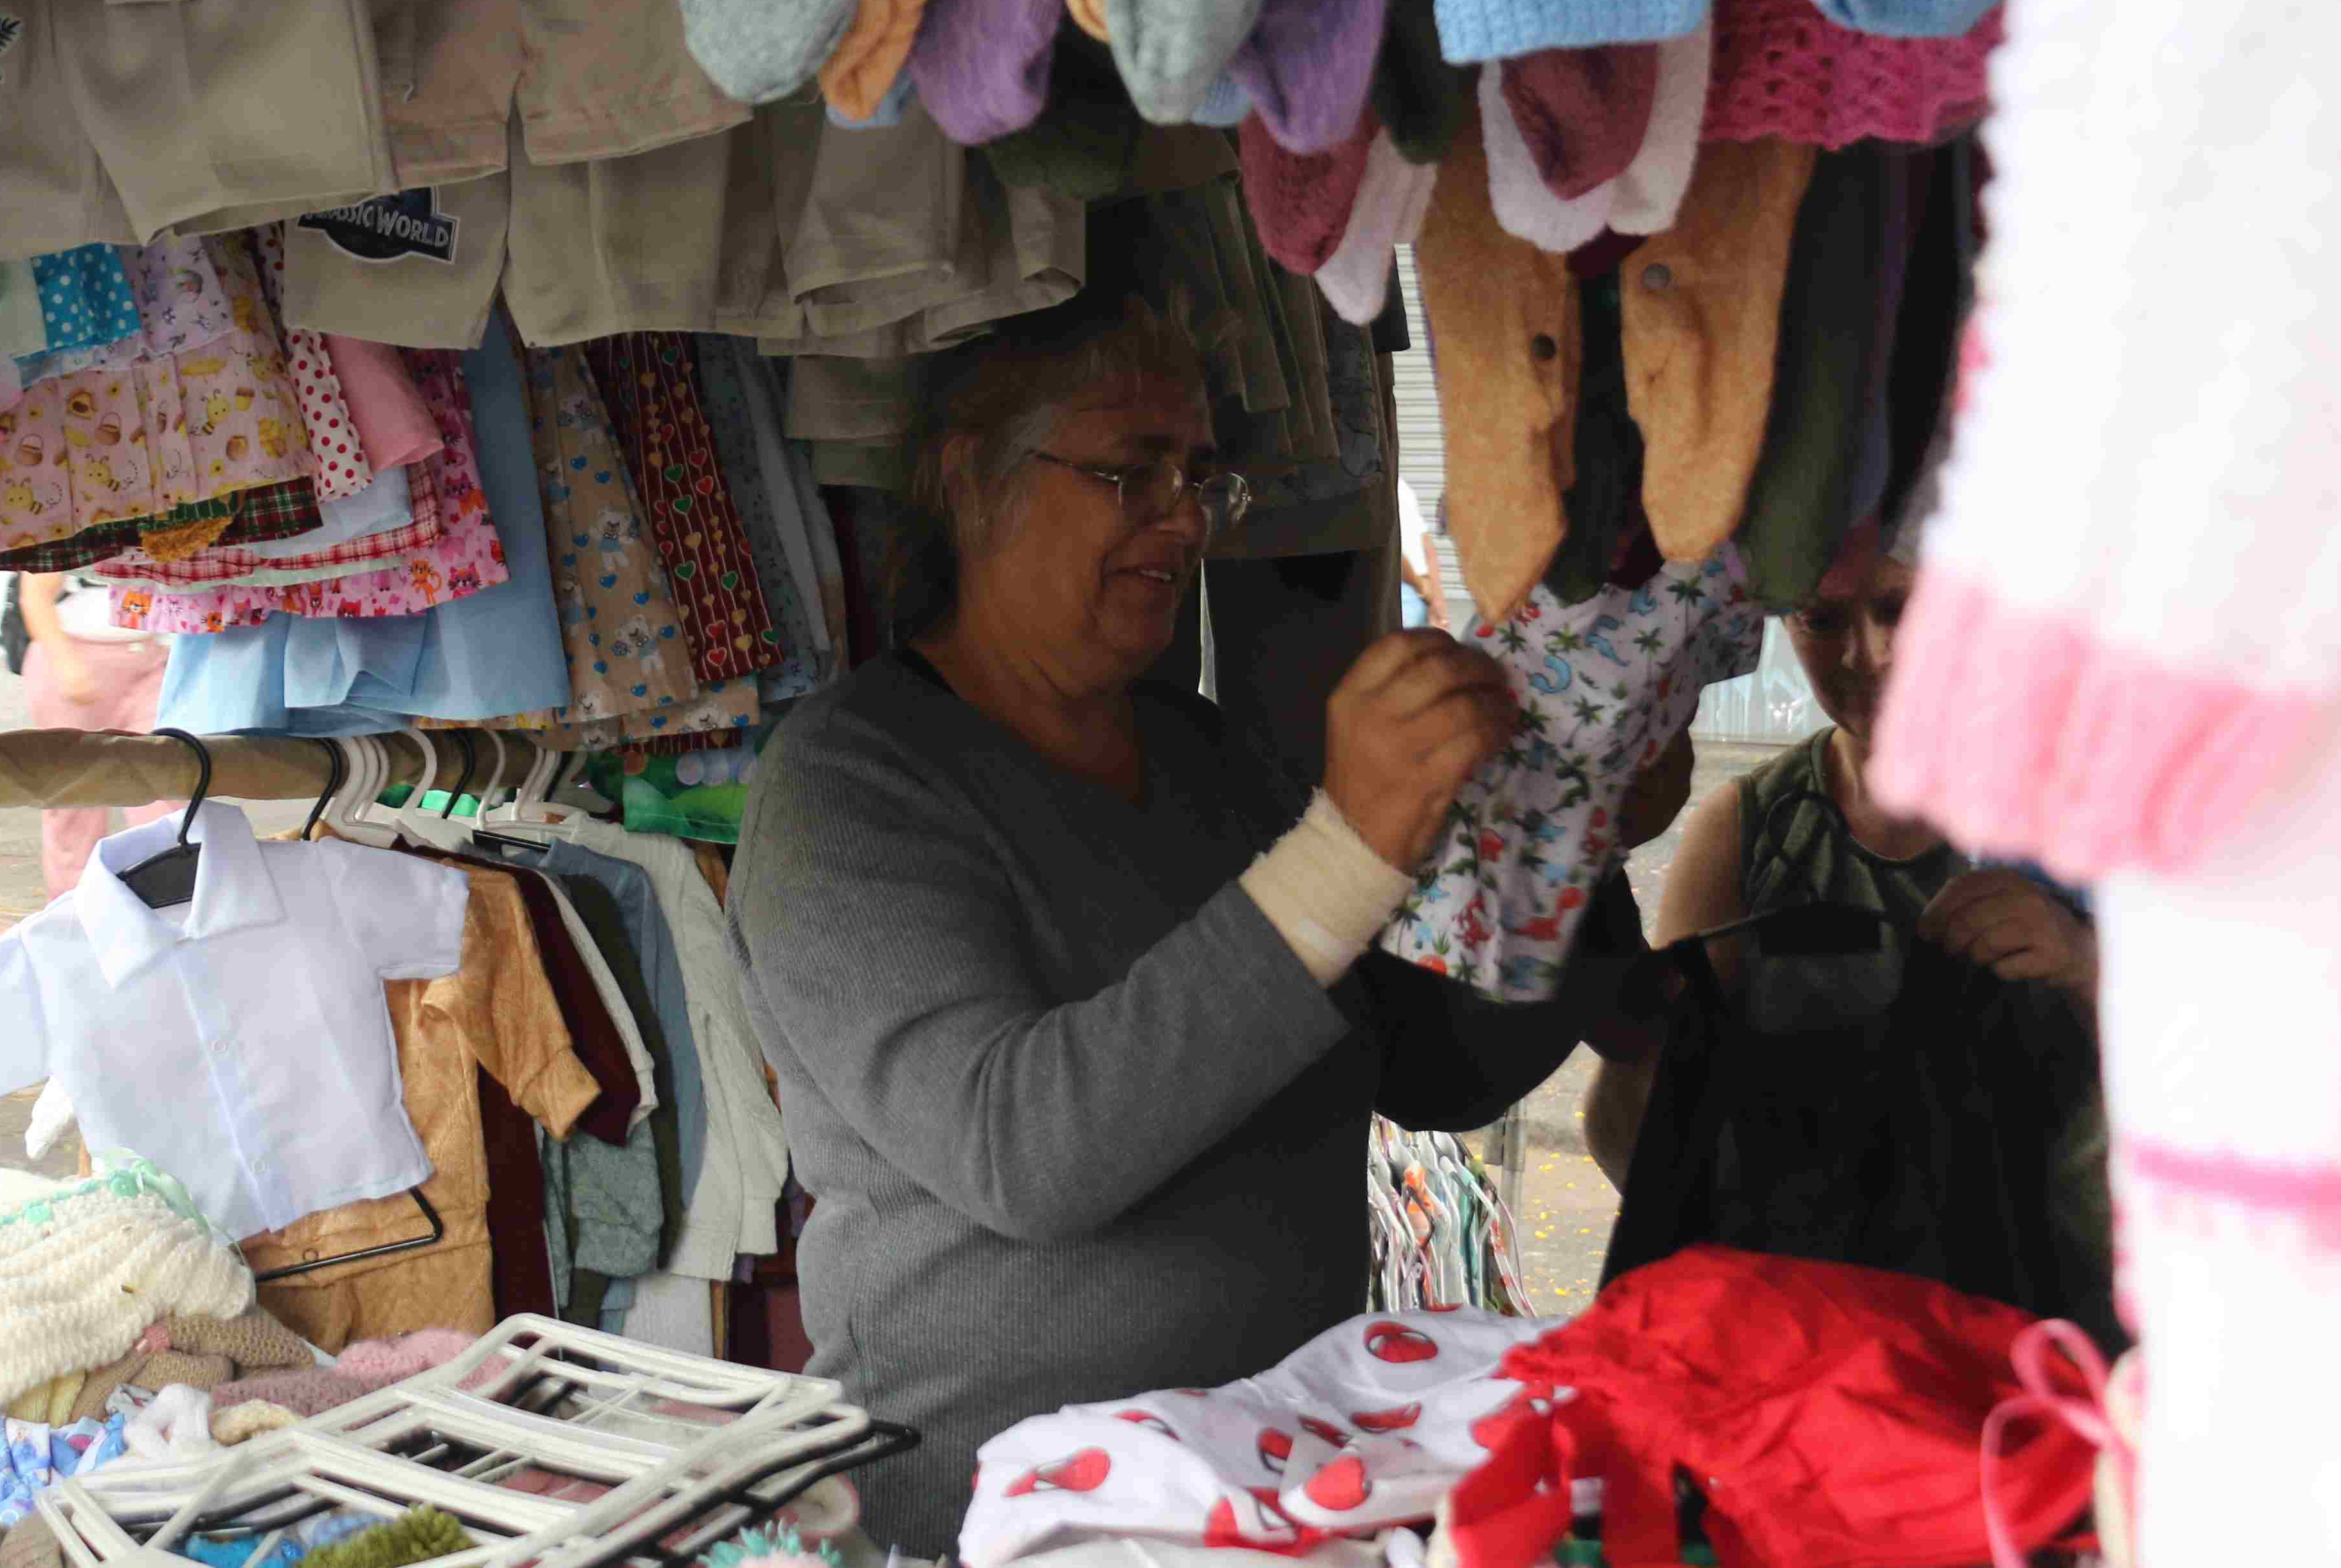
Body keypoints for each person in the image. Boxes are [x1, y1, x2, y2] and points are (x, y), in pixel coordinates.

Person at [729, 296, 1632, 1556]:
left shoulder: (1210, 758)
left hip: (1260, 1496)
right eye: (1128, 469)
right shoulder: (850, 785)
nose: (1184, 514)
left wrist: (1578, 833)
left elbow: (1431, 1070)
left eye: (1201, 475)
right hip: (983, 1522)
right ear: (967, 476)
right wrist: (1348, 847)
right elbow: (1022, 1152)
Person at [1582, 530, 2103, 1191]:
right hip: (1816, 1286)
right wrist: (1638, 1053)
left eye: (1899, 608)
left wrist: (2085, 964)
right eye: (1822, 619)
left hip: (2052, 1284)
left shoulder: (2086, 809)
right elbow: (1643, 1162)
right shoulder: (1746, 831)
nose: (1866, 654)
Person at [15, 570, 177, 898]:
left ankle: (167, 899)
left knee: (164, 788)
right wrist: (65, 663)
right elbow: (34, 596)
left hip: (151, 658)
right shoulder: (64, 522)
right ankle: (74, 909)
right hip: (74, 658)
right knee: (75, 797)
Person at [1396, 475, 1449, 631]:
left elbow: (1426, 542)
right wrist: (1427, 591)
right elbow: (1391, 553)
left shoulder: (1400, 485)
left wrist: (1436, 598)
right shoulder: (1379, 486)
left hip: (1419, 594)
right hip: (1406, 591)